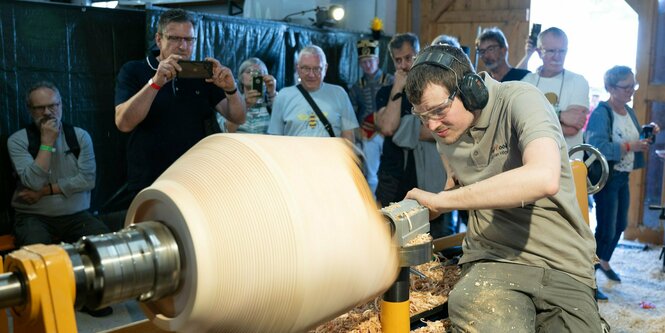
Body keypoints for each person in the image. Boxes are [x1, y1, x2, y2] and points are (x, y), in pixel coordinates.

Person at [404, 44, 604, 331]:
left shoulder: (521, 99)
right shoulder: (447, 130)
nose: (432, 126)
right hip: (493, 259)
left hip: (562, 262)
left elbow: (543, 178)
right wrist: (425, 209)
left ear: (471, 89)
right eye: (423, 116)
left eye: (438, 111)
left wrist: (444, 202)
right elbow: (454, 187)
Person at [8, 81, 112, 316]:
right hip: (33, 216)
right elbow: (32, 182)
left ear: (61, 105)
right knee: (38, 252)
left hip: (76, 214)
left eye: (52, 106)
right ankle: (49, 305)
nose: (47, 112)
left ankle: (92, 299)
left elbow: (87, 180)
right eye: (39, 108)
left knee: (102, 242)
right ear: (29, 110)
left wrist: (45, 191)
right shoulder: (18, 140)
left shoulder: (80, 136)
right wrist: (46, 144)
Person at [115, 8, 245, 195]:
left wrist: (231, 88)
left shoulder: (202, 74)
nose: (183, 46)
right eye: (175, 38)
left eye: (189, 39)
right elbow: (123, 123)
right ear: (159, 40)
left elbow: (238, 117)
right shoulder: (135, 70)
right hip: (150, 180)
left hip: (194, 178)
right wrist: (155, 83)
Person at [585, 66, 660, 285]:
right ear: (610, 88)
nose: (631, 91)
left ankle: (603, 262)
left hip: (623, 176)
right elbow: (596, 146)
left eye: (633, 85)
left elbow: (630, 135)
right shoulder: (601, 113)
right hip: (607, 178)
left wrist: (648, 130)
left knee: (619, 226)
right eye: (626, 87)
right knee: (606, 228)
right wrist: (630, 146)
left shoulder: (629, 111)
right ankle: (589, 276)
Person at [374, 33, 449, 237]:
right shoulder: (385, 93)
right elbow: (389, 127)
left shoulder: (433, 90)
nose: (404, 65)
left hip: (430, 178)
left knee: (434, 239)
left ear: (419, 55)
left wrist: (408, 127)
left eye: (409, 58)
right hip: (393, 178)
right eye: (398, 60)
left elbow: (438, 130)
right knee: (390, 238)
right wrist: (398, 88)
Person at [520, 27, 589, 159]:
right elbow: (520, 121)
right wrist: (561, 115)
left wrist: (533, 124)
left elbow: (572, 129)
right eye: (551, 51)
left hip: (568, 162)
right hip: (533, 160)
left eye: (562, 51)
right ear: (539, 52)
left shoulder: (578, 81)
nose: (557, 57)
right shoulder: (527, 82)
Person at [268, 45, 358, 141]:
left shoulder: (339, 94)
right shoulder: (283, 96)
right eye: (306, 68)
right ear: (297, 68)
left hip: (329, 156)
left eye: (317, 69)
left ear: (325, 69)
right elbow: (275, 137)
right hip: (294, 155)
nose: (311, 74)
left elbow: (349, 137)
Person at [348, 39, 394, 195]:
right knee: (371, 174)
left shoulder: (391, 81)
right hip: (367, 134)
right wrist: (356, 134)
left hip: (390, 134)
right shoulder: (356, 86)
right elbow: (351, 114)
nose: (367, 65)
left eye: (370, 61)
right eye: (364, 62)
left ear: (377, 60)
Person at [219, 57, 278, 134]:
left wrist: (272, 93)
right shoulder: (231, 100)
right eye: (249, 71)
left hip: (265, 145)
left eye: (259, 73)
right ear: (241, 77)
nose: (254, 75)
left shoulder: (272, 100)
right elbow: (226, 131)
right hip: (238, 145)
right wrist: (244, 105)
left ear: (265, 77)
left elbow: (284, 124)